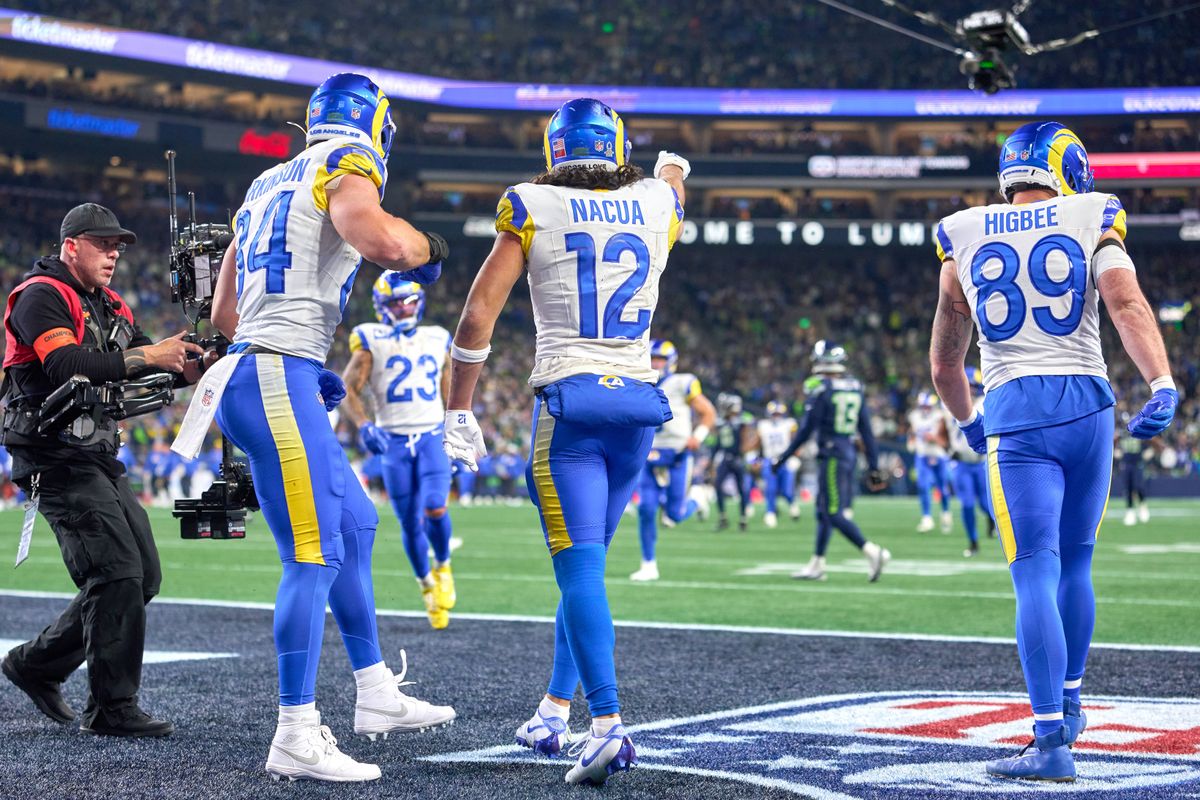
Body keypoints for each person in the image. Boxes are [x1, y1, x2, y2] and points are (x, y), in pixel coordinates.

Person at [172, 73, 456, 783]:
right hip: (273, 375)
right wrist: (430, 245)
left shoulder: (264, 184)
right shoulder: (345, 165)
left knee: (357, 522)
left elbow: (224, 316)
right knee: (312, 555)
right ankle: (295, 732)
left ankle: (374, 694)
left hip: (262, 370)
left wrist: (296, 357)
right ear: (376, 126)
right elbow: (383, 242)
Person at [441, 97, 688, 785]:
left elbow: (475, 317)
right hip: (637, 409)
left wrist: (459, 412)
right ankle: (554, 709)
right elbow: (672, 188)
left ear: (554, 152)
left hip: (572, 406)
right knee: (589, 574)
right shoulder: (656, 202)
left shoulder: (531, 204)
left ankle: (606, 723)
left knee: (578, 573)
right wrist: (671, 168)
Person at [929, 121, 1176, 782]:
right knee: (1077, 564)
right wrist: (1162, 382)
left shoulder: (963, 231)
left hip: (1016, 411)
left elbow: (945, 368)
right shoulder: (1094, 212)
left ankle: (1050, 742)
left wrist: (970, 421)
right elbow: (1125, 301)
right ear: (1071, 168)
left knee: (1033, 569)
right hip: (1090, 407)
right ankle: (1070, 701)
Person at [1, 203, 208, 737]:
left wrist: (198, 363)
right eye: (104, 244)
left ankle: (36, 664)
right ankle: (112, 708)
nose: (115, 253)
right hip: (52, 454)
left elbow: (145, 365)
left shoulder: (108, 304)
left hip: (95, 453)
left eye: (119, 246)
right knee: (115, 572)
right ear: (72, 245)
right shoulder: (42, 295)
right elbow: (65, 366)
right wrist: (150, 356)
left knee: (142, 576)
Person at [342, 274, 457, 629]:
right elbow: (348, 388)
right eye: (396, 303)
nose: (404, 309)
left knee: (435, 505)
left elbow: (450, 391)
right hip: (392, 440)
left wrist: (457, 424)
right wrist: (364, 425)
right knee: (409, 522)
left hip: (430, 435)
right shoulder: (369, 339)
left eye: (408, 302)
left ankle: (443, 563)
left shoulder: (438, 338)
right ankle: (426, 587)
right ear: (381, 307)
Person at [775, 340, 890, 582]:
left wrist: (783, 457)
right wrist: (873, 465)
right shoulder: (854, 387)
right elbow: (866, 432)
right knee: (823, 511)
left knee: (833, 512)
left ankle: (872, 551)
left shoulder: (820, 388)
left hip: (832, 456)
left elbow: (806, 430)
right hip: (847, 454)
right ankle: (817, 563)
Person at [631, 338, 715, 581]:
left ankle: (697, 500)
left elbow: (708, 413)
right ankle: (648, 564)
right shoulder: (638, 382)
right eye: (653, 358)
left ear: (671, 362)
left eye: (661, 359)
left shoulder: (683, 382)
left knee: (675, 515)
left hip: (678, 453)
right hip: (649, 452)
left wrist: (697, 436)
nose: (656, 363)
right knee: (646, 508)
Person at [948, 367, 993, 557]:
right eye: (968, 385)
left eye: (974, 386)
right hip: (961, 463)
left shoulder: (986, 403)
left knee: (985, 503)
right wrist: (947, 449)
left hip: (981, 460)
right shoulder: (947, 402)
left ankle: (991, 521)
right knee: (966, 503)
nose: (971, 390)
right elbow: (942, 431)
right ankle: (973, 541)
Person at [908, 390, 953, 533]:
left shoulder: (941, 417)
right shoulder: (914, 416)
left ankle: (945, 512)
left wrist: (935, 439)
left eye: (928, 406)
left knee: (942, 487)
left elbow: (946, 440)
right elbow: (913, 432)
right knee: (923, 486)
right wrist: (912, 440)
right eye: (923, 406)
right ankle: (926, 517)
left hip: (938, 455)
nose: (926, 409)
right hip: (922, 455)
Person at [713, 392, 754, 531]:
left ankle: (743, 518)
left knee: (742, 489)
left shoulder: (742, 421)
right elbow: (718, 443)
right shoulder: (721, 422)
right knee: (718, 485)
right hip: (725, 458)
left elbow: (746, 440)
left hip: (737, 458)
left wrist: (745, 453)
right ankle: (722, 517)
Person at [757, 400, 801, 528]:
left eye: (778, 413)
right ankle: (770, 513)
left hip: (784, 459)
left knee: (786, 490)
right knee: (770, 489)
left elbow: (795, 440)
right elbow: (759, 443)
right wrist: (756, 458)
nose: (776, 416)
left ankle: (792, 504)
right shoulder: (763, 425)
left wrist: (795, 455)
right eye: (774, 413)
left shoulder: (789, 424)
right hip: (769, 459)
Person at [1115, 417, 1150, 525]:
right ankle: (1130, 511)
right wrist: (1117, 452)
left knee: (1138, 486)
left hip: (1137, 463)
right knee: (1128, 488)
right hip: (1126, 464)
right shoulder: (1121, 435)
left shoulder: (1140, 433)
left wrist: (1148, 452)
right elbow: (1115, 446)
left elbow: (1148, 446)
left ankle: (1143, 506)